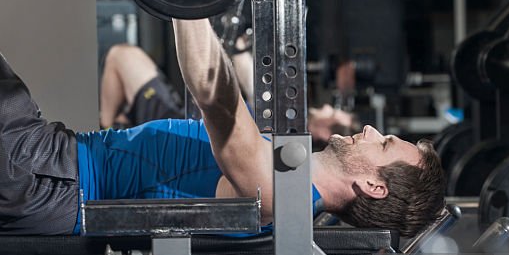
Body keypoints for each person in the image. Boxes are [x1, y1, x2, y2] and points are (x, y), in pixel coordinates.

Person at [0, 0, 446, 241]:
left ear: (372, 183)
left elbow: (217, 100)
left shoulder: (285, 193)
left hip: (49, 180)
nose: (370, 129)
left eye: (385, 142)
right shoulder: (292, 181)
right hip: (54, 164)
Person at [99, 42, 359, 148]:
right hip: (190, 114)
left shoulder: (283, 136)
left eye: (333, 112)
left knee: (122, 56)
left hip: (183, 131)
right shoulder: (283, 117)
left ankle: (106, 130)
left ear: (327, 132)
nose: (327, 107)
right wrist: (239, 48)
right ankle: (116, 127)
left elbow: (252, 86)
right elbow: (253, 82)